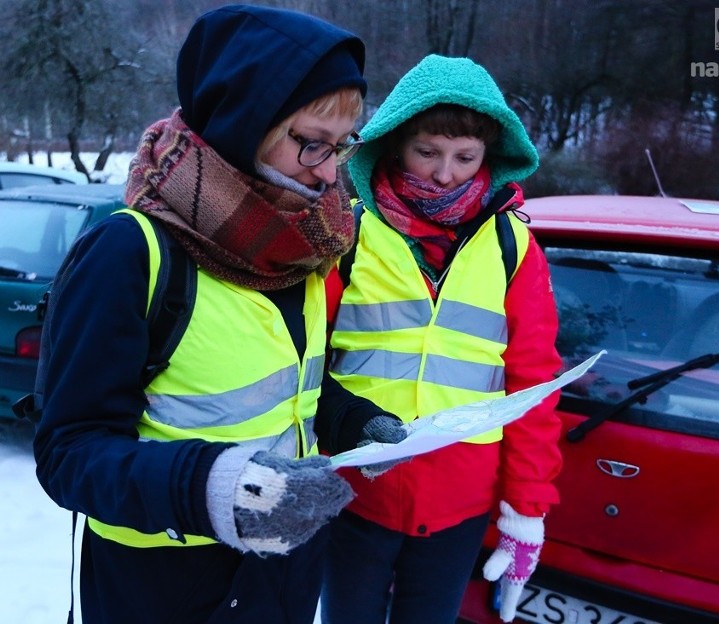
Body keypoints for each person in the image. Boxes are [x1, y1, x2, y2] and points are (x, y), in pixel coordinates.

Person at [32, 5, 404, 623]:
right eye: (312, 144)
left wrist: (353, 422)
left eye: (342, 146)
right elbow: (70, 453)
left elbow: (285, 385)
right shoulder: (130, 251)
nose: (332, 171)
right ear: (243, 122)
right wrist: (215, 488)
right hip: (164, 586)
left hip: (284, 569)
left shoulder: (307, 243)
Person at [320, 54, 564, 624]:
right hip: (354, 494)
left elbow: (533, 385)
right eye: (427, 152)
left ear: (489, 156)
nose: (444, 173)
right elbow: (303, 361)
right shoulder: (348, 232)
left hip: (459, 505)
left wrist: (525, 512)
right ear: (396, 144)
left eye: (465, 157)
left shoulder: (514, 249)